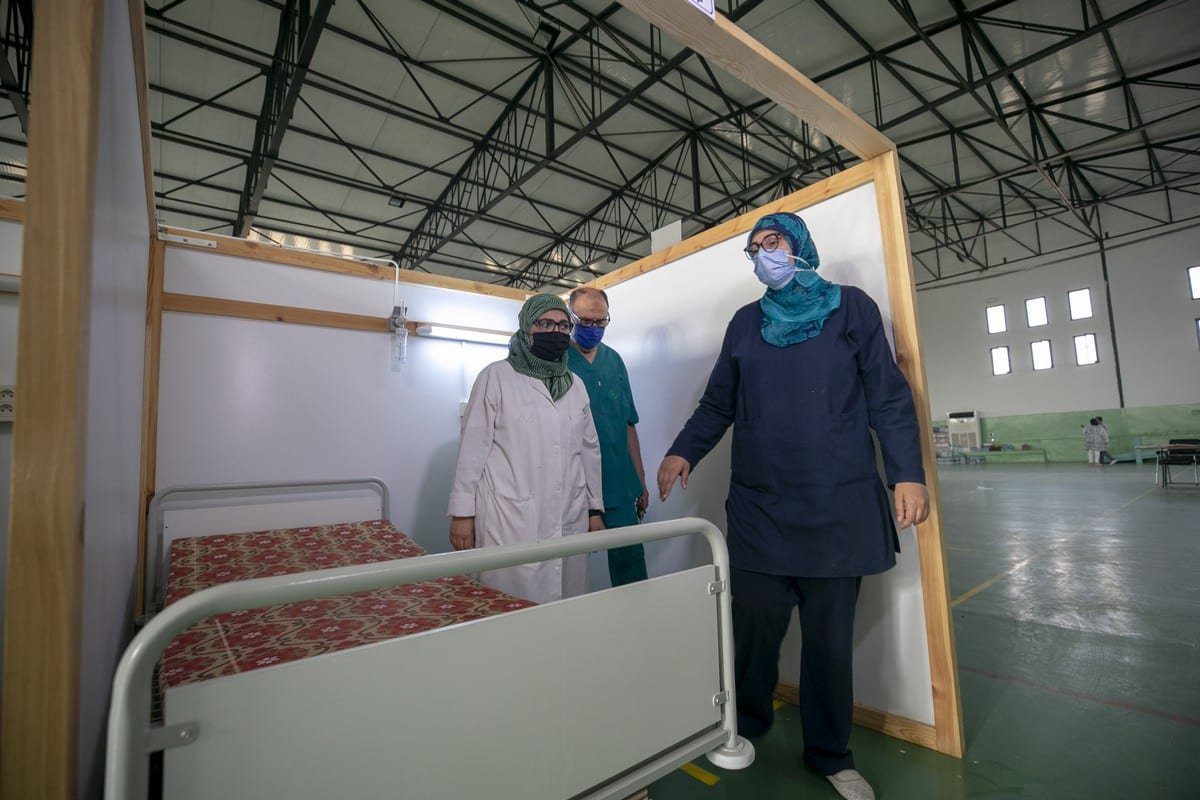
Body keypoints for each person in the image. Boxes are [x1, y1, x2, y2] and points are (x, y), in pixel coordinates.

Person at [656, 212, 929, 800]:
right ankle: (744, 724)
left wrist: (907, 474)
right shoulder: (746, 322)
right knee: (753, 626)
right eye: (754, 248)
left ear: (800, 244)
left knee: (829, 642)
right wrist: (683, 450)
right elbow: (718, 402)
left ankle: (830, 753)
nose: (763, 255)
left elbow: (887, 395)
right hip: (762, 506)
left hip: (839, 505)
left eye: (772, 241)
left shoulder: (851, 308)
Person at [447, 293, 605, 604]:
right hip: (510, 518)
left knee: (567, 604)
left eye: (563, 326)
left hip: (569, 514)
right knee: (510, 605)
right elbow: (472, 451)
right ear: (526, 328)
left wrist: (594, 509)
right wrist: (462, 515)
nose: (555, 331)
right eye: (545, 324)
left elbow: (589, 451)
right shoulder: (496, 377)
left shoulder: (575, 385)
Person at [566, 287, 650, 587]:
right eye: (586, 321)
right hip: (572, 488)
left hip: (618, 485)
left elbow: (628, 424)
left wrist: (640, 478)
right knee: (567, 571)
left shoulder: (613, 361)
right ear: (570, 317)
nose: (593, 328)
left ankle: (635, 617)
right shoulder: (558, 362)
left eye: (600, 322)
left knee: (631, 571)